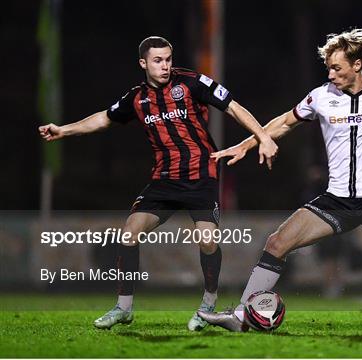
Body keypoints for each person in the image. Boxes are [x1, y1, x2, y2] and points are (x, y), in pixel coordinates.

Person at [198, 29, 362, 335]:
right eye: (328, 67)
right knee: (276, 243)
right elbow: (286, 122)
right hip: (336, 200)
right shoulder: (321, 96)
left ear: (357, 65)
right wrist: (248, 144)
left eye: (336, 67)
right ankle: (242, 315)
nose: (331, 73)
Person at [38, 36, 278, 331]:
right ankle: (123, 308)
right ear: (143, 63)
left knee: (207, 241)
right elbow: (104, 118)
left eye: (168, 59)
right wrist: (63, 130)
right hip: (164, 180)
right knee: (128, 234)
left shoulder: (192, 83)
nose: (165, 66)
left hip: (200, 176)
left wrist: (263, 137)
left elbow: (233, 107)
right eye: (157, 60)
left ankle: (208, 302)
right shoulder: (137, 99)